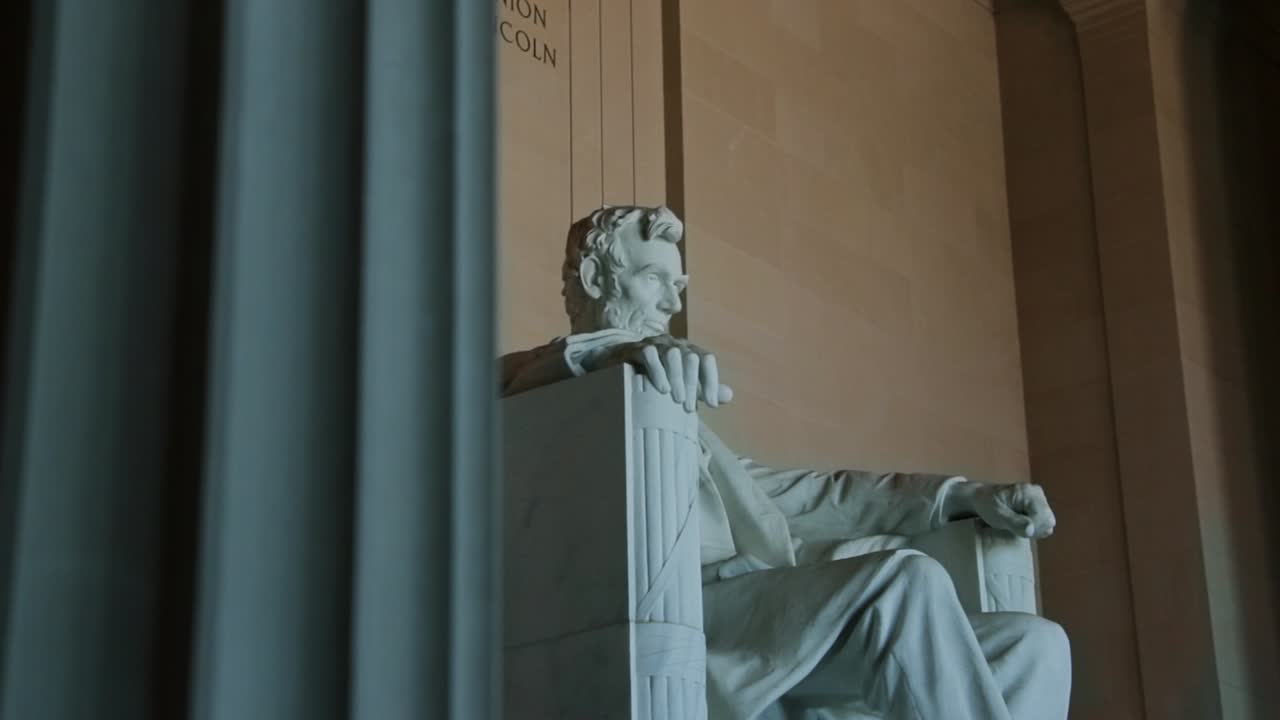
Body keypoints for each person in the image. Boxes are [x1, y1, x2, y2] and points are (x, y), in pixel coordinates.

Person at [501, 205, 1071, 720]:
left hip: (766, 603)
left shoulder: (672, 410)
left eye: (678, 285)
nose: (674, 303)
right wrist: (610, 351)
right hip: (686, 609)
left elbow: (818, 495)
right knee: (903, 583)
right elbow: (510, 383)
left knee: (1033, 646)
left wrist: (961, 497)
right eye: (654, 279)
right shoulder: (529, 384)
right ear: (598, 278)